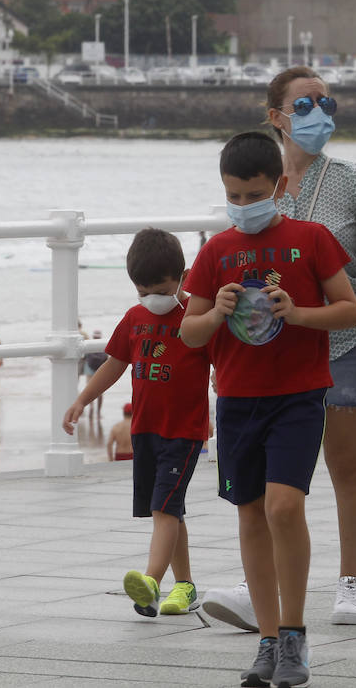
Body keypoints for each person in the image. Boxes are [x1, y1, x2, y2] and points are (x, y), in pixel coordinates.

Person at [202, 67, 356, 633]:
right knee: (273, 478)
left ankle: (350, 580)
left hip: (345, 338)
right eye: (305, 103)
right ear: (277, 117)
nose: (319, 111)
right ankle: (258, 584)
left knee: (346, 463)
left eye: (326, 101)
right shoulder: (257, 184)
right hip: (271, 355)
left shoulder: (352, 180)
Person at [182, 131, 356, 688]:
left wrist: (298, 312)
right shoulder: (215, 252)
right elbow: (188, 333)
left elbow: (349, 310)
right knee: (251, 514)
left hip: (298, 396)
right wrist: (215, 317)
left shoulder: (311, 238)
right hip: (236, 401)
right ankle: (266, 642)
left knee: (285, 508)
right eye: (233, 196)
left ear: (278, 186)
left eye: (253, 194)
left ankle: (293, 635)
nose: (243, 206)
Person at [62, 228, 212, 619]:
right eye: (143, 291)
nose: (152, 298)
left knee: (164, 508)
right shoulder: (135, 317)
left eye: (161, 289)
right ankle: (186, 586)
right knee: (169, 508)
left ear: (182, 276)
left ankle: (151, 582)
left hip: (184, 431)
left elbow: (224, 360)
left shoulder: (195, 316)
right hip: (145, 429)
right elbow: (114, 363)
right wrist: (82, 399)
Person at [83, 330, 107, 421]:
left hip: (89, 370)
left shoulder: (89, 345)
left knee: (89, 389)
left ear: (93, 337)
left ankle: (91, 407)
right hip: (100, 370)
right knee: (100, 392)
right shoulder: (103, 346)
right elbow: (106, 360)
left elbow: (84, 358)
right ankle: (98, 413)